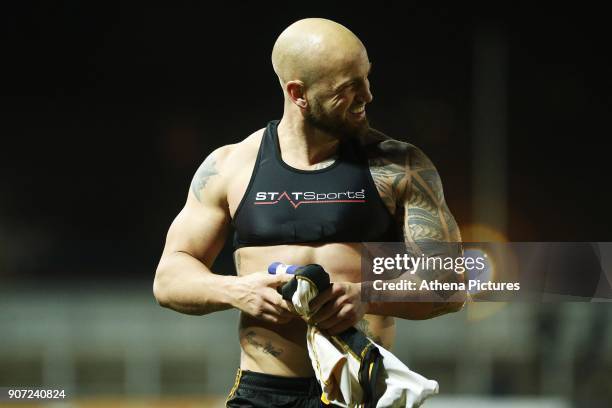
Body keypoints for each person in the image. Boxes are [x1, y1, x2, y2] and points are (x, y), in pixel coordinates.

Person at [153, 17, 465, 408]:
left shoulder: (399, 167)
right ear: (298, 93)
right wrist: (237, 290)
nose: (367, 96)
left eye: (366, 79)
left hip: (360, 392)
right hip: (262, 393)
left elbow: (452, 282)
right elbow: (168, 279)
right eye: (349, 88)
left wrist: (366, 296)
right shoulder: (231, 166)